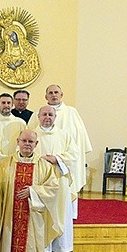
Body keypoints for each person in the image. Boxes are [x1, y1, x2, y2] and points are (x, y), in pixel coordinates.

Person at [28, 85, 92, 213]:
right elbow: (28, 138)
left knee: (63, 207)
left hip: (62, 168)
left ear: (61, 95)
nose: (53, 95)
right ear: (46, 96)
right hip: (40, 171)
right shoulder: (37, 114)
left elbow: (77, 142)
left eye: (56, 92)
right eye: (50, 93)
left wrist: (57, 158)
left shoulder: (72, 112)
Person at [31, 106, 79, 252]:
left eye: (50, 114)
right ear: (38, 116)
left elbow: (73, 155)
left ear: (55, 117)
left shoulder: (64, 135)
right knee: (41, 214)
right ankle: (42, 248)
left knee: (60, 213)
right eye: (44, 114)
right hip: (39, 181)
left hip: (59, 181)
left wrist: (56, 158)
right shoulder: (32, 134)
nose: (47, 117)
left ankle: (58, 249)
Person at [0, 93, 26, 174]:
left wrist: (13, 159)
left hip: (15, 164)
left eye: (8, 103)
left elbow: (23, 143)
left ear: (12, 105)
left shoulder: (20, 123)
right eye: (3, 103)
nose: (6, 105)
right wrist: (1, 159)